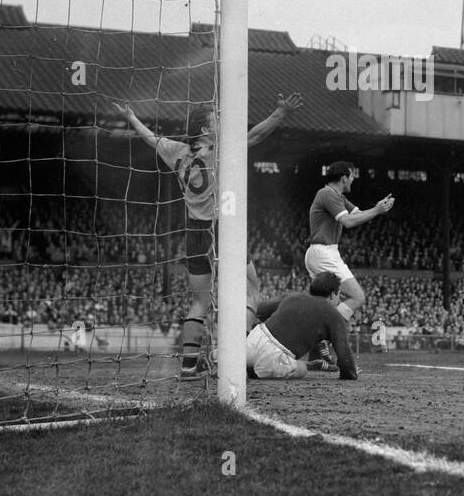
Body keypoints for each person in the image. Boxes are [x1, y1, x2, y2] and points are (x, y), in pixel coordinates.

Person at [115, 92, 302, 379]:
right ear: (205, 129)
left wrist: (131, 118)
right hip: (221, 230)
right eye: (215, 118)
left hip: (193, 232)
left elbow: (151, 138)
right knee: (251, 288)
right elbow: (255, 135)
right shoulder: (219, 149)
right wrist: (281, 113)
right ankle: (236, 352)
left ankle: (189, 364)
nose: (220, 120)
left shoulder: (175, 150)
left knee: (201, 301)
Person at [304, 161, 394, 333]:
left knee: (331, 304)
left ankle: (319, 348)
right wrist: (376, 210)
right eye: (352, 176)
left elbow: (358, 215)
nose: (353, 179)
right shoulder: (327, 193)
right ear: (344, 178)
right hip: (324, 252)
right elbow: (348, 222)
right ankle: (319, 333)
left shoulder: (338, 197)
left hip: (323, 252)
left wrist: (379, 207)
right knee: (357, 297)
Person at [246, 271, 358, 380]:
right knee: (302, 369)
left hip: (253, 339)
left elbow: (259, 311)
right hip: (274, 356)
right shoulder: (334, 315)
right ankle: (261, 370)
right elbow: (344, 355)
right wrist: (349, 373)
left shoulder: (293, 297)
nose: (339, 300)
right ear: (333, 294)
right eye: (339, 295)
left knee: (251, 358)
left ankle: (249, 365)